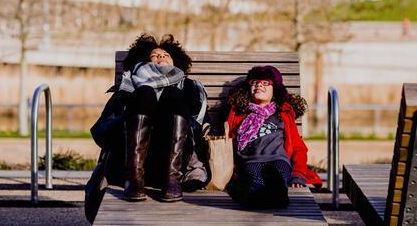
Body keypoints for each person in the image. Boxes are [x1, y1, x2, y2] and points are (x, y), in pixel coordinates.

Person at [88, 33, 209, 207]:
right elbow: (102, 132)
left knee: (173, 95)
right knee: (145, 92)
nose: (161, 56)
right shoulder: (127, 89)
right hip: (128, 164)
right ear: (143, 61)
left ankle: (171, 179)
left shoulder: (190, 88)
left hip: (177, 166)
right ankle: (134, 179)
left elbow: (201, 129)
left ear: (176, 61)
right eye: (155, 55)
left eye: (166, 55)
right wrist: (128, 116)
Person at [226, 65, 322, 209]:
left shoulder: (282, 114)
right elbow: (229, 141)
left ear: (275, 90)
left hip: (278, 158)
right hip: (251, 160)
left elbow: (298, 147)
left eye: (265, 83)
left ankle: (261, 197)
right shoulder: (240, 113)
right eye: (254, 82)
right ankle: (274, 199)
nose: (258, 85)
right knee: (255, 179)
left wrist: (298, 173)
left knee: (279, 174)